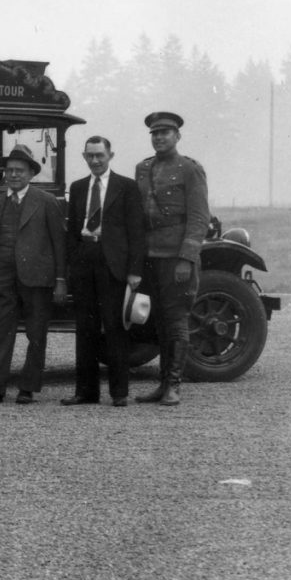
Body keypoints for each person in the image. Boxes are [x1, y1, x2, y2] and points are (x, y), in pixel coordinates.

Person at [0, 146, 68, 405]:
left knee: (36, 334)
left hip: (38, 278)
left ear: (31, 173)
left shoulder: (46, 201)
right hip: (6, 278)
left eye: (19, 171)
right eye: (10, 170)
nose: (13, 175)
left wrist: (59, 280)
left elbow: (59, 244)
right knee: (0, 331)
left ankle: (28, 388)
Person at [65, 135, 148, 407]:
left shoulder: (126, 187)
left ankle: (119, 392)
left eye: (100, 155)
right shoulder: (77, 188)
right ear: (84, 156)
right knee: (85, 328)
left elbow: (137, 232)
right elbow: (73, 232)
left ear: (110, 155)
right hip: (84, 260)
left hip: (113, 263)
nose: (95, 160)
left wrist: (135, 271)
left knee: (114, 328)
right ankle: (86, 392)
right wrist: (71, 266)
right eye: (90, 155)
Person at [134, 112, 208, 407]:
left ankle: (174, 386)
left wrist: (186, 259)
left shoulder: (190, 169)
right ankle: (162, 384)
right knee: (159, 323)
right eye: (155, 133)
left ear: (177, 136)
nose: (159, 137)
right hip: (150, 255)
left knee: (176, 320)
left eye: (165, 132)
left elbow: (199, 217)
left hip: (175, 256)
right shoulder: (143, 168)